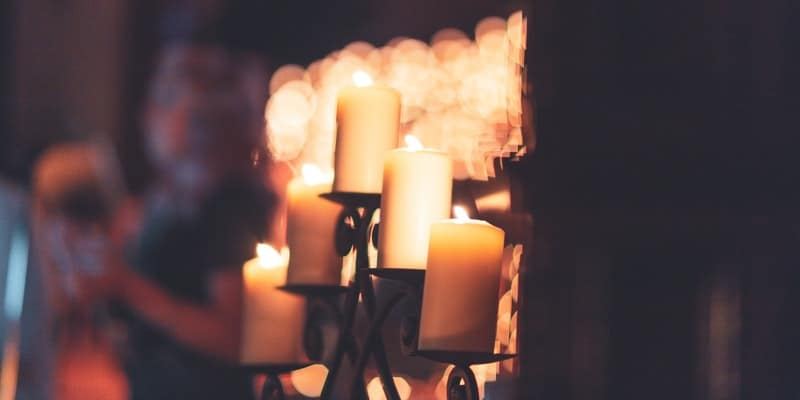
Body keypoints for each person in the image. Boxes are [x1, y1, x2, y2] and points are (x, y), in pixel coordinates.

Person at [100, 45, 275, 400]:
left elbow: (232, 336)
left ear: (204, 116)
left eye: (167, 99)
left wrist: (127, 287)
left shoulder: (229, 205)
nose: (148, 114)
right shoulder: (162, 196)